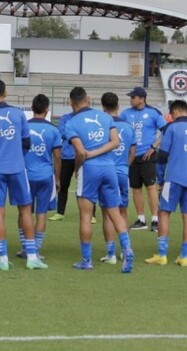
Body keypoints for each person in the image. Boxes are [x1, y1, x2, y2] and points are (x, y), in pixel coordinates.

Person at [0, 79, 47, 271]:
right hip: (17, 169)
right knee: (25, 210)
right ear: (5, 93)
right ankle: (32, 257)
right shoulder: (18, 113)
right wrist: (17, 158)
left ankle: (3, 259)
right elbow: (26, 143)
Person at [64, 87, 134, 273]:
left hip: (90, 170)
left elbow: (80, 152)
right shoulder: (105, 117)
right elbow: (115, 142)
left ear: (71, 102)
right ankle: (127, 249)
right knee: (115, 213)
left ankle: (86, 260)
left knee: (86, 216)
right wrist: (97, 152)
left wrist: (79, 167)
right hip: (109, 168)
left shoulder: (72, 122)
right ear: (88, 99)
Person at [145, 99, 187, 267]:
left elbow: (162, 156)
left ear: (174, 113)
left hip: (173, 179)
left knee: (163, 213)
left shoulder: (171, 128)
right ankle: (184, 256)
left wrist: (160, 179)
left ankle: (162, 254)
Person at [120, 87, 167, 231]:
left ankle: (155, 220)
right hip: (132, 155)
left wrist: (153, 146)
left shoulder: (153, 113)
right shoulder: (126, 113)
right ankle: (141, 219)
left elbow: (166, 130)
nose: (131, 99)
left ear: (142, 98)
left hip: (149, 155)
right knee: (135, 187)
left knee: (151, 186)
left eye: (133, 97)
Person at [21, 94, 61, 257]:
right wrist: (57, 179)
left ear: (32, 109)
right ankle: (35, 249)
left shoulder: (23, 127)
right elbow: (57, 156)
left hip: (25, 175)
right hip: (45, 175)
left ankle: (26, 248)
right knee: (41, 213)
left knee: (24, 212)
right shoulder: (53, 129)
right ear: (47, 110)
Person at [100, 92, 136, 264]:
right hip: (123, 172)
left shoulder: (103, 125)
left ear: (103, 107)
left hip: (107, 172)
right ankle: (125, 249)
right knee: (122, 212)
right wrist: (125, 166)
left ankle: (110, 254)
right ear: (118, 106)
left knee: (107, 213)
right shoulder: (129, 127)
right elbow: (133, 152)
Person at [49, 108, 75, 221]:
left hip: (83, 154)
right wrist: (78, 135)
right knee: (63, 185)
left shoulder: (85, 117)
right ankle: (60, 212)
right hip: (67, 155)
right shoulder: (65, 117)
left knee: (86, 186)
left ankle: (92, 215)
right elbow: (62, 132)